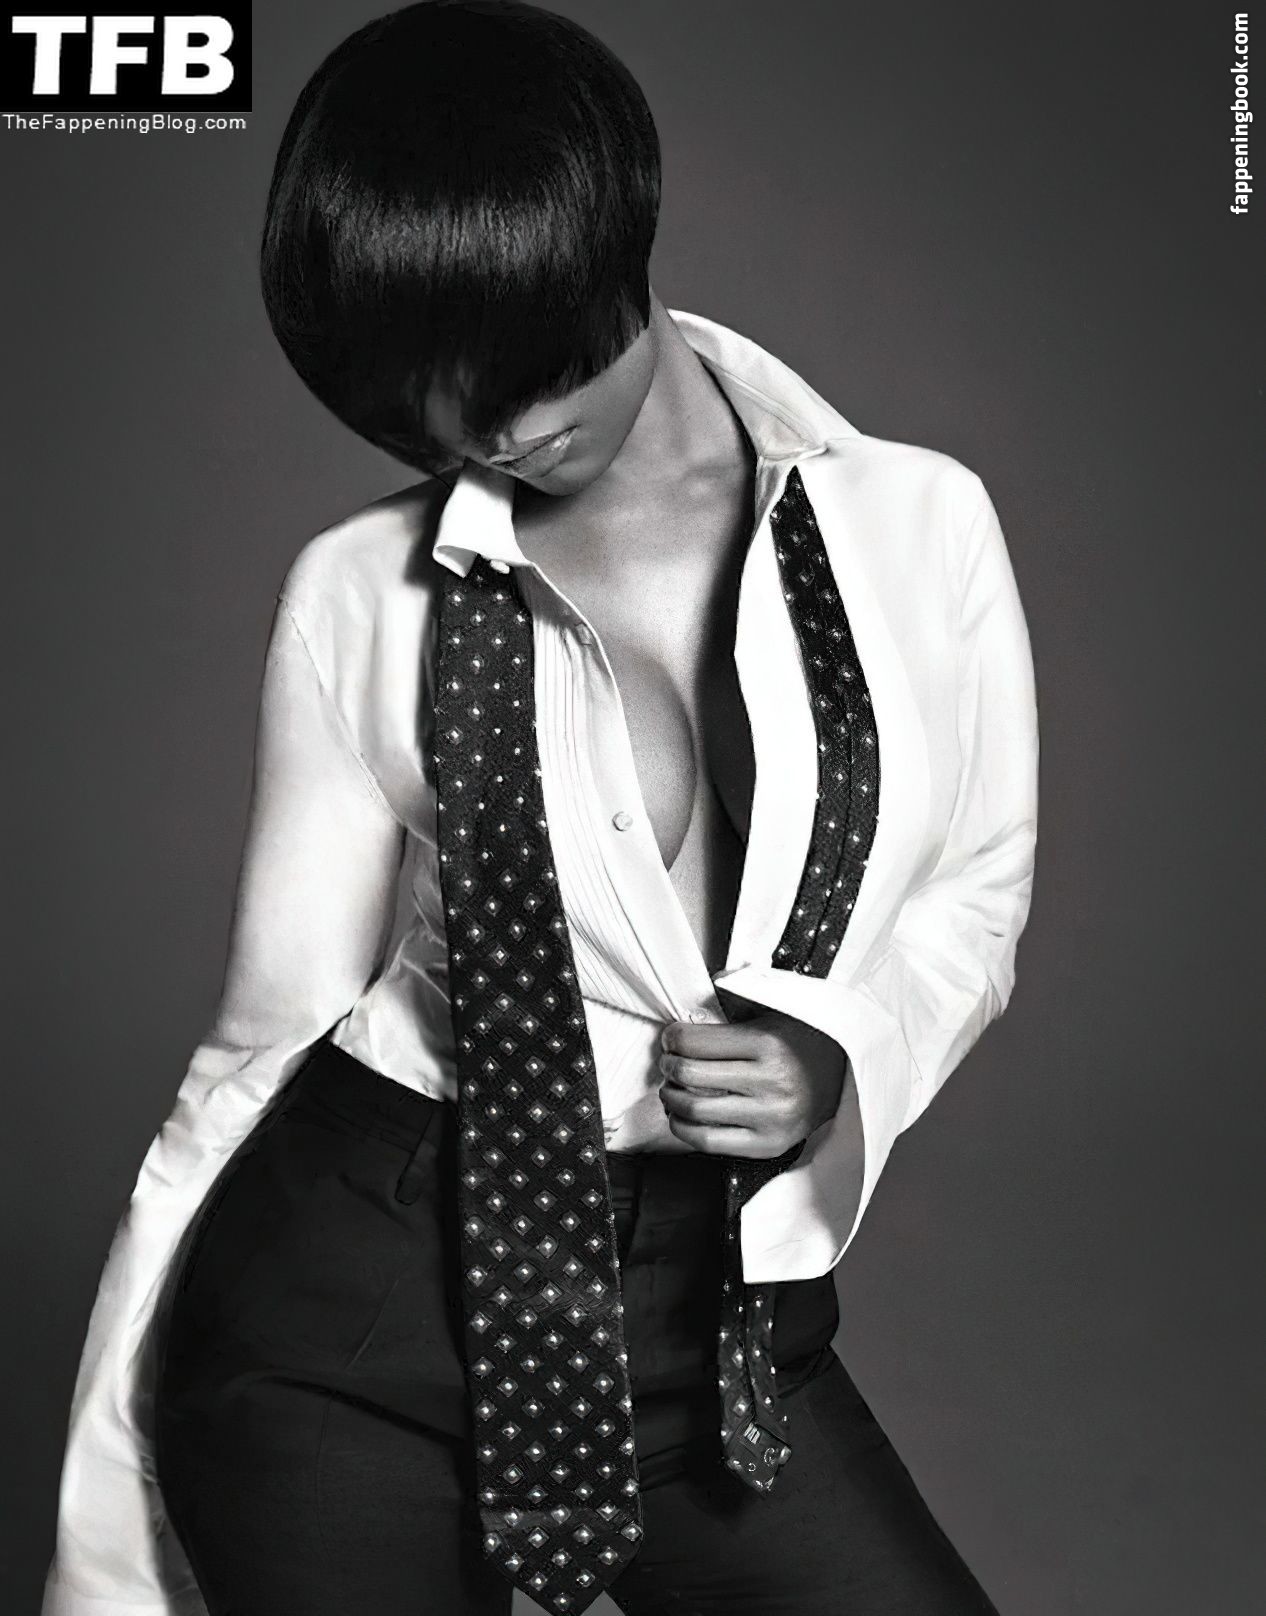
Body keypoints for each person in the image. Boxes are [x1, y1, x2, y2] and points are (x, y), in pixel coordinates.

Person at [41, 3, 1039, 1613]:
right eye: (414, 413)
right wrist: (108, 1512)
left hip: (713, 1328)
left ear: (610, 245)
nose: (483, 436)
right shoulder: (358, 591)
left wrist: (833, 1050)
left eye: (517, 372)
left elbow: (973, 893)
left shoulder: (916, 528)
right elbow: (263, 1039)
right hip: (354, 1321)